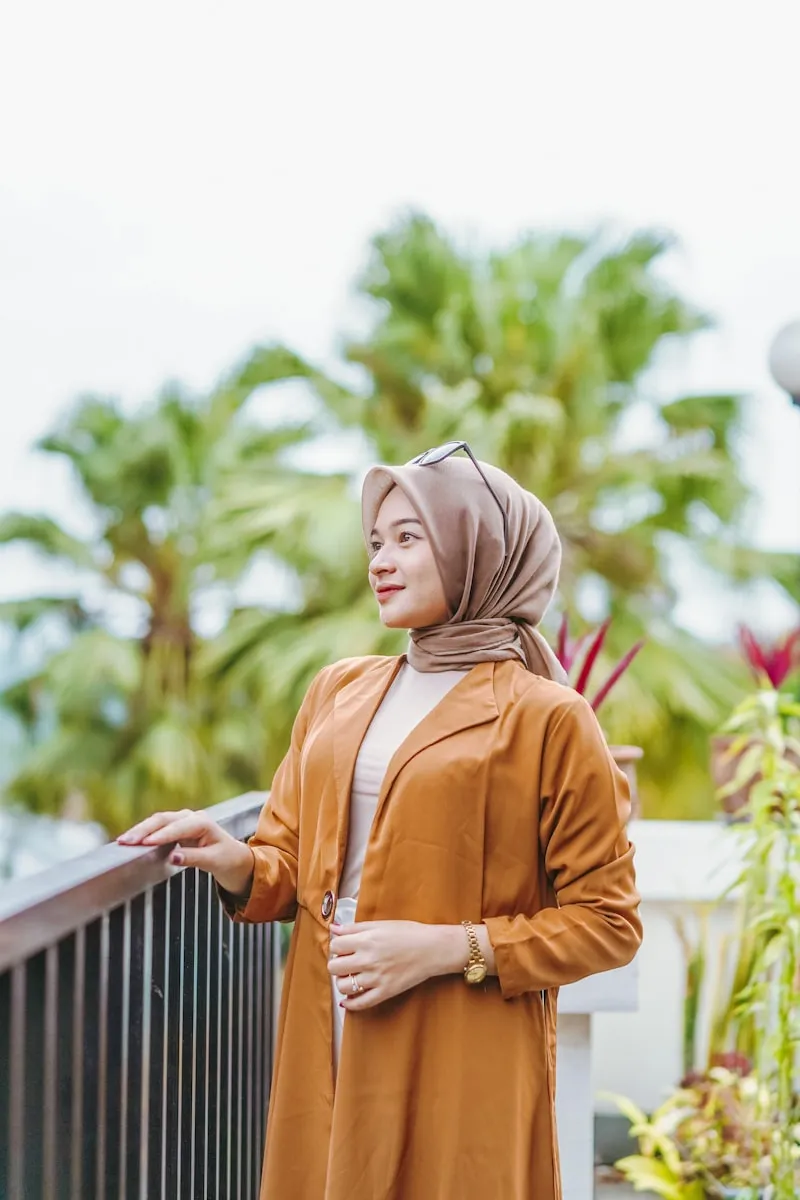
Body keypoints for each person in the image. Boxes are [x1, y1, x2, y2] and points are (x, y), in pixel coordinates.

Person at [118, 441, 642, 1200]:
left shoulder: (548, 718)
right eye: (375, 541)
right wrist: (230, 857)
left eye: (408, 537)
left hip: (460, 1037)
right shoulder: (339, 690)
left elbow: (608, 922)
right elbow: (289, 867)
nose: (380, 561)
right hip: (326, 1013)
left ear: (479, 552)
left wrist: (445, 949)